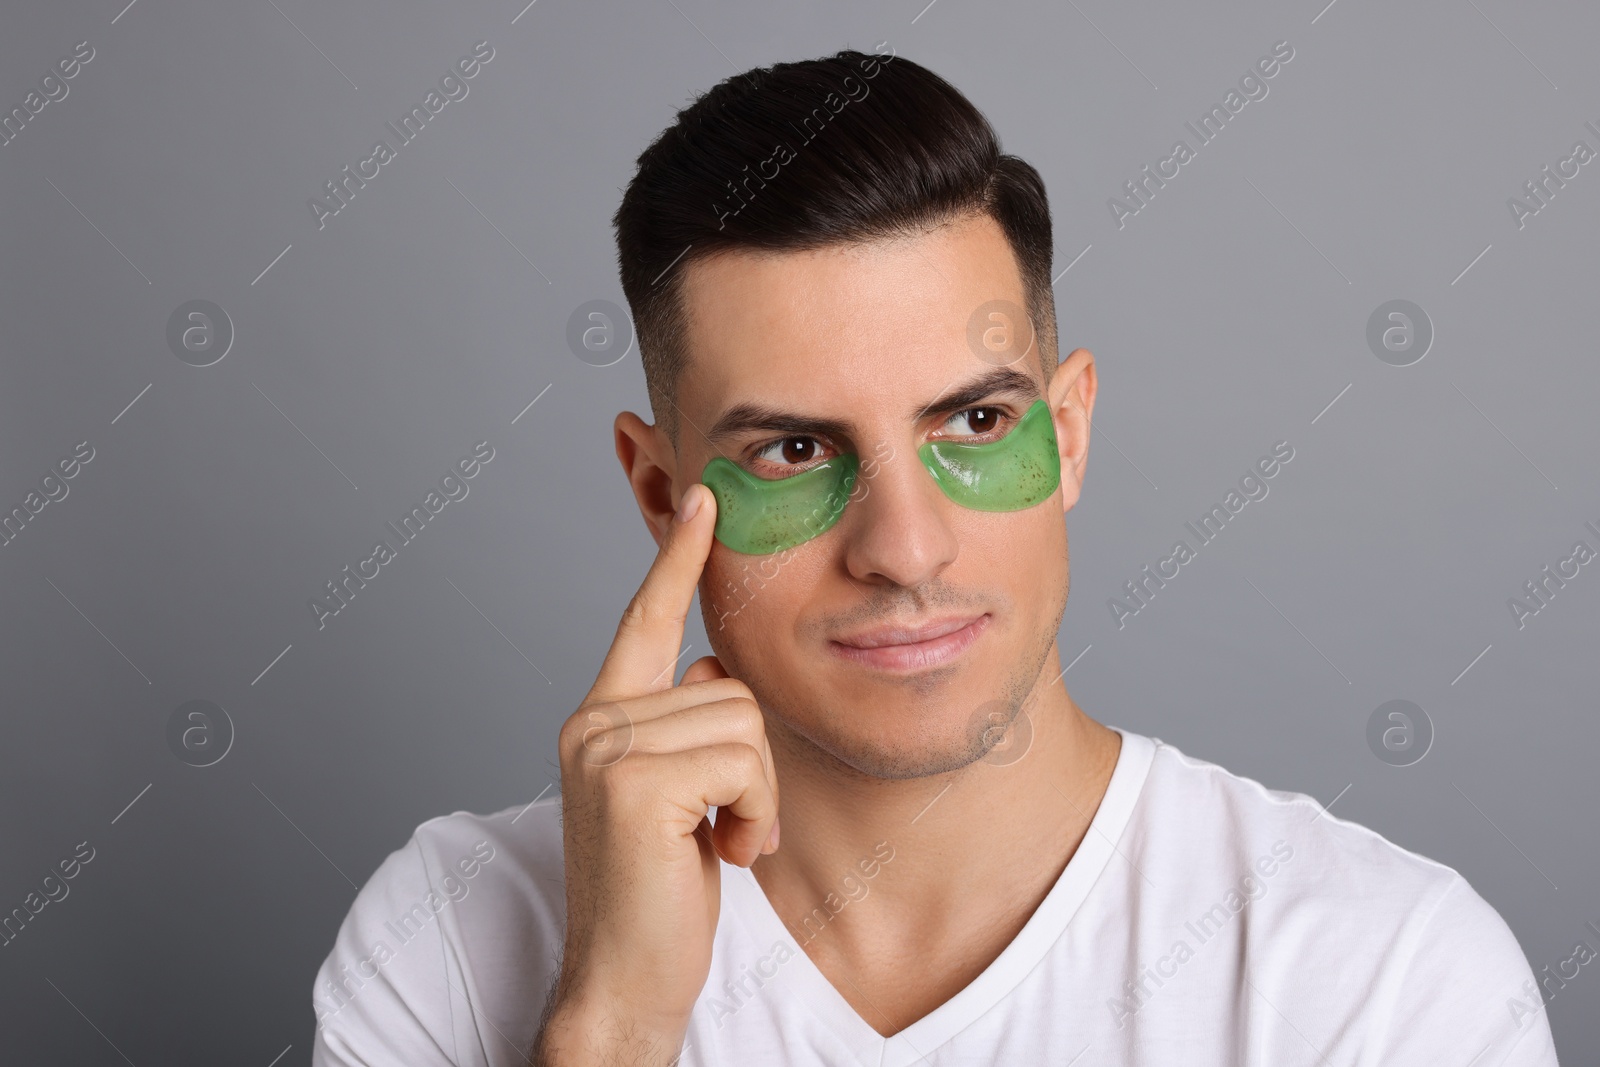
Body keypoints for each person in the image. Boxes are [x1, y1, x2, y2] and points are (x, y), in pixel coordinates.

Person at [310, 48, 1560, 1066]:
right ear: (657, 489)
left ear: (1066, 433)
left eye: (974, 422)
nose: (903, 549)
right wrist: (614, 1028)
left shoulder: (1381, 978)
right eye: (796, 448)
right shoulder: (450, 941)